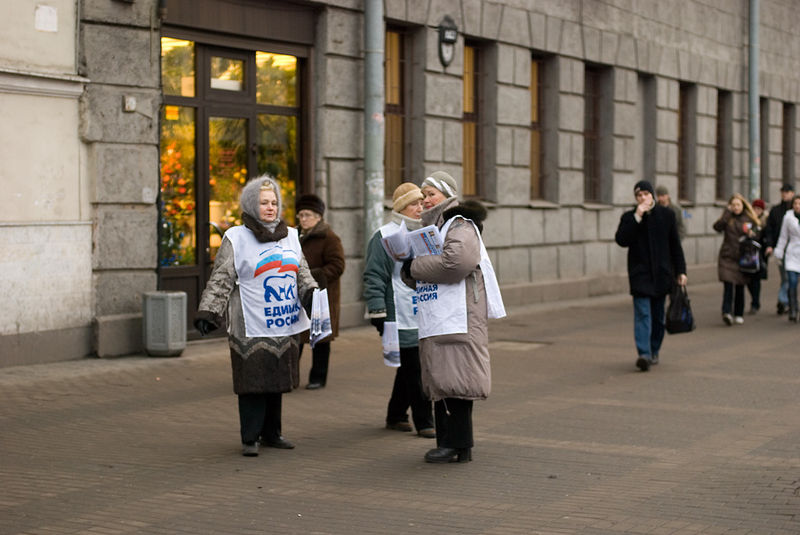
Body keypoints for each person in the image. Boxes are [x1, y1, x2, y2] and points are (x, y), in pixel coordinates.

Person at [193, 176, 317, 457]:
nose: (270, 207)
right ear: (251, 204)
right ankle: (250, 437)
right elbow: (221, 278)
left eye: (274, 202)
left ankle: (273, 433)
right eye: (263, 203)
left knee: (276, 380)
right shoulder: (236, 237)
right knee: (252, 382)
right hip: (248, 323)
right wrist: (209, 311)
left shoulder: (292, 236)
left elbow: (302, 273)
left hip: (283, 321)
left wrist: (311, 297)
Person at [400, 171, 506, 463]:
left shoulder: (459, 224)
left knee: (457, 380)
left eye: (431, 194)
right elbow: (431, 271)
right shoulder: (437, 227)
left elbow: (457, 262)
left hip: (458, 316)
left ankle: (455, 444)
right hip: (443, 315)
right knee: (445, 378)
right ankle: (454, 444)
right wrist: (408, 270)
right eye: (423, 196)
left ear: (447, 195)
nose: (425, 201)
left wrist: (415, 266)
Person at [363, 183, 435, 438]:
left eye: (421, 202)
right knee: (415, 367)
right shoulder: (384, 235)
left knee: (409, 367)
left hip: (424, 311)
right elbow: (374, 275)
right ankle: (425, 421)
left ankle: (395, 415)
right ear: (401, 207)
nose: (420, 207)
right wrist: (378, 311)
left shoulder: (428, 232)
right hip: (398, 313)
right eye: (414, 203)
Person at [615, 180, 687, 372]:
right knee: (642, 314)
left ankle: (654, 350)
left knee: (658, 317)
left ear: (652, 195)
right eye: (639, 195)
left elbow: (675, 246)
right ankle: (644, 354)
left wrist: (681, 271)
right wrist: (637, 216)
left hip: (662, 275)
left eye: (646, 194)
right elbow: (622, 240)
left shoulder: (667, 215)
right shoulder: (630, 217)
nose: (643, 198)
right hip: (640, 275)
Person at [295, 194, 346, 390]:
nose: (303, 219)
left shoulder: (329, 237)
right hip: (299, 297)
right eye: (300, 215)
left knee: (320, 339)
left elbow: (338, 265)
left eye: (307, 215)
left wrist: (314, 277)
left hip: (321, 297)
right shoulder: (294, 236)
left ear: (318, 217)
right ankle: (290, 376)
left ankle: (318, 377)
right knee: (295, 337)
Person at [712, 193, 761, 326]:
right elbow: (717, 227)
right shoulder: (728, 218)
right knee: (728, 284)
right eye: (733, 205)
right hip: (727, 257)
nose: (736, 207)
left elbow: (758, 232)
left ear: (743, 205)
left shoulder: (748, 219)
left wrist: (752, 234)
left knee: (740, 286)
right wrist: (726, 213)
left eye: (738, 204)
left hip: (743, 257)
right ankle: (726, 312)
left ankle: (738, 313)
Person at [763, 183, 795, 314]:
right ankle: (784, 301)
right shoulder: (776, 211)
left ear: (792, 193)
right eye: (783, 191)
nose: (784, 194)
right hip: (781, 249)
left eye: (787, 191)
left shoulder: (793, 213)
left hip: (795, 251)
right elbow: (770, 230)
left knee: (791, 278)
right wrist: (770, 245)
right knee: (786, 277)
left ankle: (786, 301)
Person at [773, 195, 800, 322]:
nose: (797, 206)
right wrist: (779, 250)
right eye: (795, 204)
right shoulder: (788, 217)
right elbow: (783, 236)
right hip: (792, 254)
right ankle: (793, 308)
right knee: (792, 282)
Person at [746, 198, 768, 314]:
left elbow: (768, 235)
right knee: (748, 279)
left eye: (759, 209)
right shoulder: (748, 220)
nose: (756, 211)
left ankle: (755, 302)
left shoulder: (765, 221)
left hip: (760, 253)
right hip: (748, 253)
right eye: (754, 208)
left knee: (756, 279)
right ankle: (754, 300)